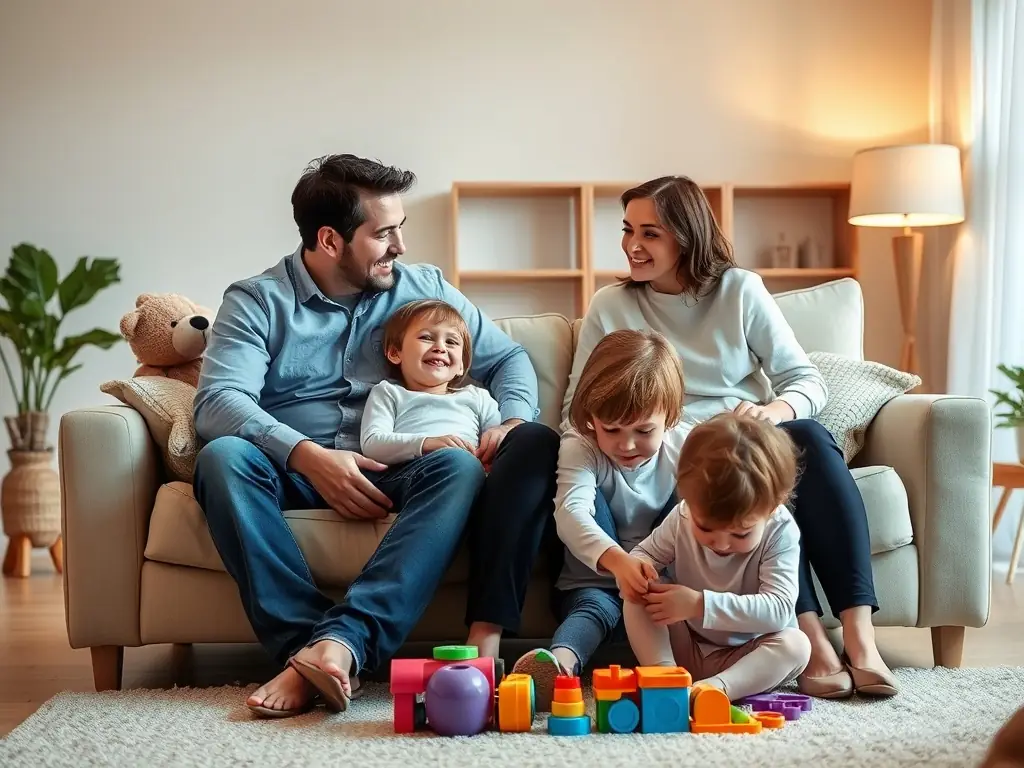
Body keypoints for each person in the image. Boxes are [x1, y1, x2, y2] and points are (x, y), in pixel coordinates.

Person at [192, 154, 559, 717]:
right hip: (294, 468)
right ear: (330, 239)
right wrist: (310, 457)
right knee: (222, 458)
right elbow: (218, 400)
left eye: (400, 230)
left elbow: (508, 358)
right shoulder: (257, 300)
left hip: (400, 466)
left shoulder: (421, 287)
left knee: (458, 466)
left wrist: (510, 420)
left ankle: (342, 643)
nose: (400, 247)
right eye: (383, 233)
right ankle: (308, 651)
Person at [563, 175, 898, 699]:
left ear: (687, 236)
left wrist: (772, 411)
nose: (632, 245)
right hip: (673, 458)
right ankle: (812, 638)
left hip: (743, 441)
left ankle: (860, 637)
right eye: (628, 230)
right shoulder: (612, 304)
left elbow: (805, 379)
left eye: (650, 233)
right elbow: (575, 410)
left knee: (806, 437)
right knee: (725, 492)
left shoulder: (739, 290)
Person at [512, 329, 690, 710]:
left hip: (659, 592)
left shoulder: (683, 447)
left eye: (644, 431)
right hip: (593, 585)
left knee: (692, 500)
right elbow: (571, 512)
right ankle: (559, 667)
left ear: (670, 418)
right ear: (592, 417)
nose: (626, 445)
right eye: (612, 430)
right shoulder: (582, 444)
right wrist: (618, 562)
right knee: (594, 608)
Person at [620, 412, 811, 704]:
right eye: (706, 528)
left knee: (796, 646)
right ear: (687, 499)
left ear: (772, 507)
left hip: (745, 655)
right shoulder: (683, 516)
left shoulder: (780, 530)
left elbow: (779, 609)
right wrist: (636, 571)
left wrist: (699, 604)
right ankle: (663, 676)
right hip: (683, 646)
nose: (720, 543)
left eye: (741, 534)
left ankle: (713, 690)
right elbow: (644, 554)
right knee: (639, 591)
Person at [359, 299, 502, 465]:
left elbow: (496, 438)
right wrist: (426, 443)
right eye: (426, 337)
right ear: (395, 353)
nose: (440, 347)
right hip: (415, 475)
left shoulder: (478, 397)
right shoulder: (388, 392)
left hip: (475, 472)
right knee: (459, 460)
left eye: (451, 342)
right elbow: (372, 444)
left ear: (461, 365)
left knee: (531, 434)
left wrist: (494, 450)